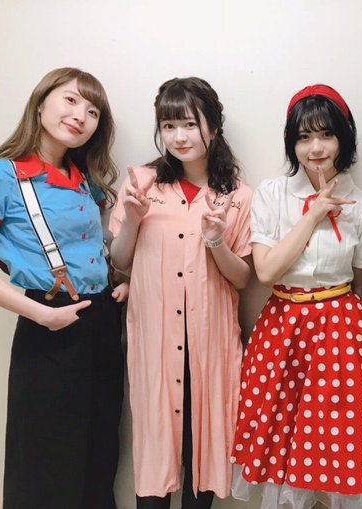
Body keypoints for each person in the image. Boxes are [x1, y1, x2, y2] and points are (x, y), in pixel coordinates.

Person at [231, 84, 362, 509]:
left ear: (344, 138)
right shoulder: (272, 194)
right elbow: (267, 271)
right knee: (283, 440)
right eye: (304, 137)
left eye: (326, 134)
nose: (315, 148)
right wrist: (312, 215)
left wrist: (357, 334)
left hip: (340, 328)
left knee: (343, 442)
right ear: (292, 143)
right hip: (283, 324)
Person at [0, 67, 123, 509]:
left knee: (99, 450)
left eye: (93, 111)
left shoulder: (85, 180)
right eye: (71, 100)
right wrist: (44, 316)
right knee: (44, 457)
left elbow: (93, 253)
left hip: (102, 321)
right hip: (48, 319)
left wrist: (119, 284)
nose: (80, 115)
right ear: (40, 102)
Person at [109, 77, 252, 509]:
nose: (179, 136)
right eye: (169, 126)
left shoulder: (236, 196)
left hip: (209, 347)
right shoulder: (142, 184)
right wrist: (133, 218)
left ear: (213, 127)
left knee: (203, 455)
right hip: (155, 343)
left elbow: (242, 278)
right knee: (154, 452)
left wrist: (215, 240)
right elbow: (120, 261)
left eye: (190, 124)